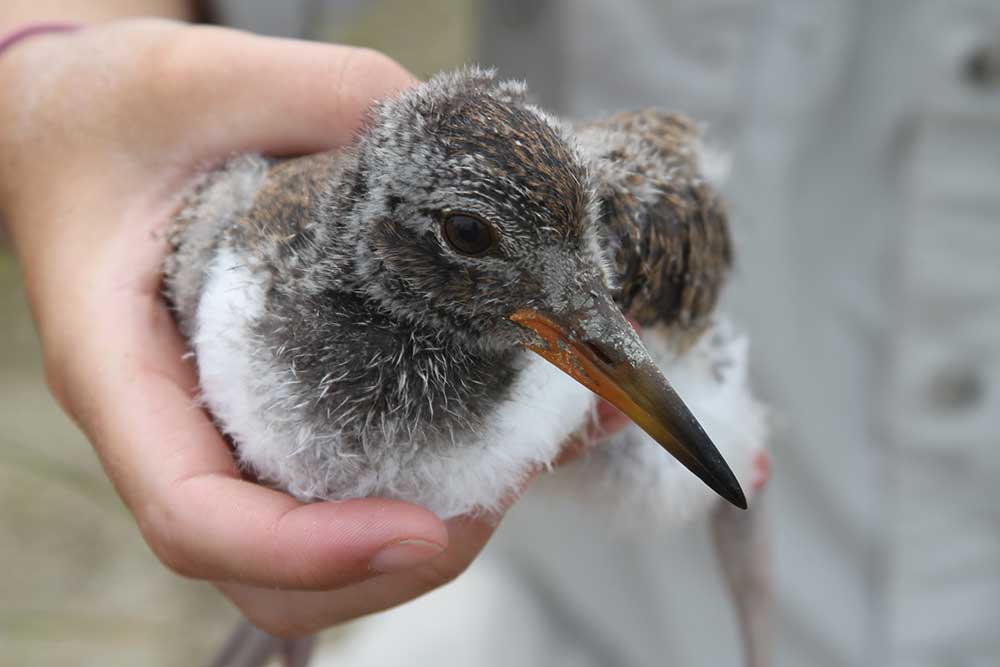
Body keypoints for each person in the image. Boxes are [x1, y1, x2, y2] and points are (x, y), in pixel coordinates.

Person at [3, 2, 998, 666]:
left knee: (722, 466)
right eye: (468, 241)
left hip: (656, 599)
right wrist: (45, 74)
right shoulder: (236, 253)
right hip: (560, 626)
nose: (603, 330)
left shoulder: (621, 226)